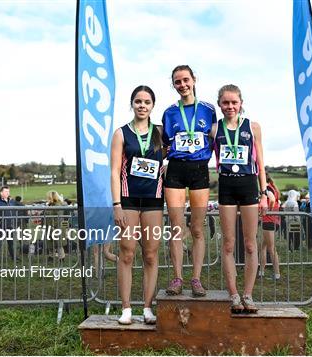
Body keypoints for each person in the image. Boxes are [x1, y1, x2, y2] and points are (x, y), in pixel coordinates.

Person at [212, 84, 269, 313]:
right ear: (219, 104)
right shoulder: (214, 129)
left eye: (234, 102)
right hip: (226, 185)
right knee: (228, 244)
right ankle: (233, 294)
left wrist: (264, 193)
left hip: (248, 185)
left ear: (241, 103)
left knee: (250, 243)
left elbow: (261, 163)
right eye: (225, 103)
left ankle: (248, 294)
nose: (230, 107)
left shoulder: (253, 127)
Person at [111, 85, 164, 325]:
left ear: (153, 106)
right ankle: (126, 308)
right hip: (128, 201)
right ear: (132, 104)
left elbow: (175, 157)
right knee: (127, 253)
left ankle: (147, 308)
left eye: (147, 102)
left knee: (151, 255)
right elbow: (114, 172)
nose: (142, 106)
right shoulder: (121, 133)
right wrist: (116, 205)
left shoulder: (161, 133)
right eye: (138, 101)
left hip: (153, 202)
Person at [162, 65, 217, 297]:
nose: (182, 85)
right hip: (175, 169)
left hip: (199, 170)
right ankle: (177, 278)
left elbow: (218, 138)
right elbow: (164, 145)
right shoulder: (169, 112)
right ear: (173, 85)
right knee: (176, 229)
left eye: (186, 80)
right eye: (177, 82)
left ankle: (195, 278)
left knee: (196, 228)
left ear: (194, 79)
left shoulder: (208, 109)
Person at [259, 172, 281, 280]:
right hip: (273, 221)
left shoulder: (267, 188)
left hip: (269, 221)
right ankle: (261, 272)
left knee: (271, 249)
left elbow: (272, 199)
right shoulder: (272, 187)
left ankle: (277, 274)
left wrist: (269, 211)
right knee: (262, 247)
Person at [0, 186, 17, 261]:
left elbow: (14, 212)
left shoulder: (11, 201)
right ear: (1, 193)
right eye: (6, 191)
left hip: (10, 225)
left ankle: (13, 257)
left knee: (11, 243)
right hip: (1, 226)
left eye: (8, 191)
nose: (8, 193)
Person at [45, 190, 67, 260]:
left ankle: (61, 257)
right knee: (50, 242)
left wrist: (53, 226)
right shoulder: (50, 205)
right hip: (50, 226)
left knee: (59, 243)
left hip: (57, 227)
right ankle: (51, 256)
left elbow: (58, 217)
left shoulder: (58, 205)